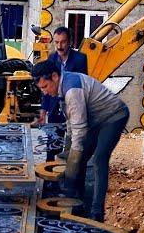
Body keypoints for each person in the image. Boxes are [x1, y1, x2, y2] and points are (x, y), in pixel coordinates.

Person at [32, 59, 129, 222]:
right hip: (94, 119)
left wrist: (71, 166)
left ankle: (97, 212)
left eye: (45, 87)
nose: (45, 93)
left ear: (54, 77)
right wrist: (69, 152)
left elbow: (79, 131)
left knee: (99, 160)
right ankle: (76, 198)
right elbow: (71, 121)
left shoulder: (72, 91)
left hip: (113, 116)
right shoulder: (63, 86)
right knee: (80, 156)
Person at [37, 27, 88, 161]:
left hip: (73, 105)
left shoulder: (80, 59)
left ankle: (69, 171)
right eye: (56, 42)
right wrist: (43, 110)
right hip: (55, 106)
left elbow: (82, 84)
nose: (59, 46)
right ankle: (49, 176)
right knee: (52, 141)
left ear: (70, 42)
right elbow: (46, 87)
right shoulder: (51, 58)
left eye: (63, 42)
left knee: (74, 140)